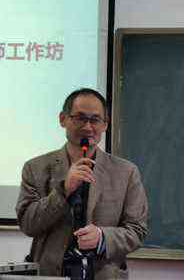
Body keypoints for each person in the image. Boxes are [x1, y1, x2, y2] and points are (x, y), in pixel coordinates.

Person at [15, 88, 149, 280]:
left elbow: (137, 230)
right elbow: (28, 224)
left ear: (105, 124)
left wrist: (102, 237)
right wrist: (63, 191)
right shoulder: (35, 168)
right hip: (50, 274)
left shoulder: (126, 172)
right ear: (63, 119)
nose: (87, 126)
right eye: (80, 118)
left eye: (95, 119)